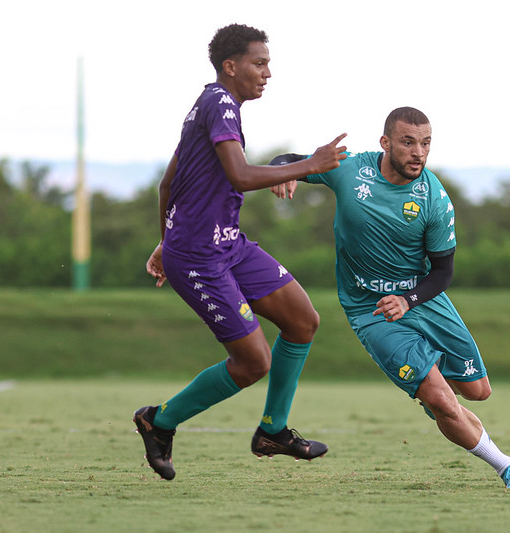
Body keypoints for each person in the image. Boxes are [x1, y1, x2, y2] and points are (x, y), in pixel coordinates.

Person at [269, 107, 510, 489]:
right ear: (385, 142)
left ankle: (432, 389)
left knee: (478, 392)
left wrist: (408, 299)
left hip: (422, 298)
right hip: (370, 309)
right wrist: (284, 172)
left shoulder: (434, 199)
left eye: (425, 143)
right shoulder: (349, 169)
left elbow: (443, 273)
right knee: (443, 400)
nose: (418, 153)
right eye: (408, 142)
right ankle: (507, 466)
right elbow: (289, 161)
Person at [134, 23, 348, 480]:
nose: (267, 72)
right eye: (259, 63)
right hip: (198, 259)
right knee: (253, 362)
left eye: (268, 63)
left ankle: (273, 431)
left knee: (303, 321)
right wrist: (311, 164)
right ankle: (159, 420)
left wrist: (164, 236)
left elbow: (169, 183)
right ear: (230, 67)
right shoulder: (219, 103)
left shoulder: (208, 107)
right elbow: (240, 177)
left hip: (227, 244)